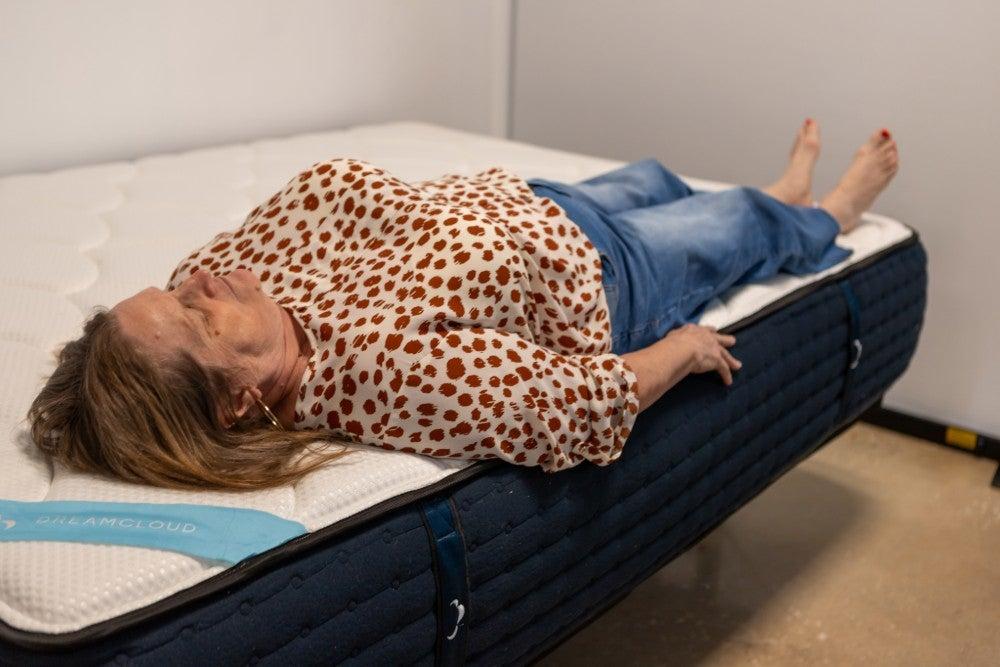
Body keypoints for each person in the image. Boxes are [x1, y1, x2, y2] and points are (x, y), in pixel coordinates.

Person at [27, 120, 899, 490]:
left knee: (664, 177)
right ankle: (824, 214)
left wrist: (125, 353)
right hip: (603, 278)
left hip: (530, 200)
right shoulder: (377, 376)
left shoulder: (226, 287)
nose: (203, 283)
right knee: (735, 224)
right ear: (238, 399)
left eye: (178, 293)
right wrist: (681, 350)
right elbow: (572, 406)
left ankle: (783, 200)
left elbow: (154, 345)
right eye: (194, 316)